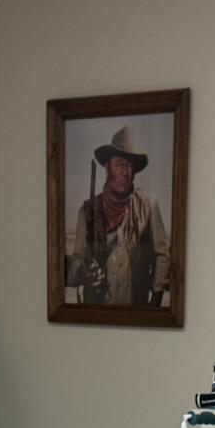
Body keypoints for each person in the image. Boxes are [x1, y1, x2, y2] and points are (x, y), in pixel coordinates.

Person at [67, 124, 171, 306]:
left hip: (135, 310)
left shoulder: (149, 205)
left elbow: (163, 256)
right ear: (107, 167)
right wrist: (83, 272)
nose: (125, 171)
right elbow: (77, 260)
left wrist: (155, 301)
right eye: (120, 164)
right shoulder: (87, 210)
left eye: (129, 165)